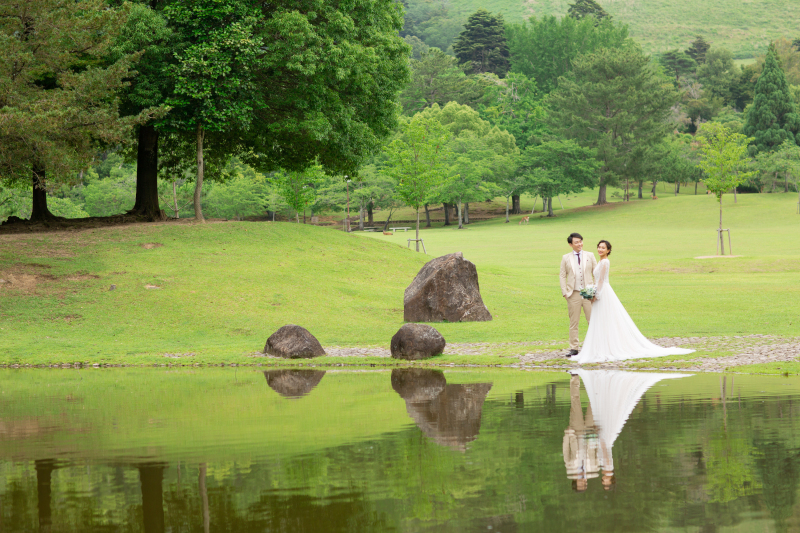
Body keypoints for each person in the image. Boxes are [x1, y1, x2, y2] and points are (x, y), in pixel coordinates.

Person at [573, 240, 695, 363]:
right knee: (600, 318)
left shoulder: (605, 262)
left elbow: (601, 280)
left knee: (606, 318)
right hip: (599, 290)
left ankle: (608, 347)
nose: (600, 249)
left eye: (603, 248)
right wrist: (592, 291)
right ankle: (600, 346)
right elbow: (597, 280)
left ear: (608, 250)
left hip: (603, 292)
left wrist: (596, 295)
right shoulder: (600, 261)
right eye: (599, 247)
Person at [559, 233, 598, 357]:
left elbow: (596, 273)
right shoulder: (566, 258)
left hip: (588, 292)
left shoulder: (590, 255)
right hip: (573, 293)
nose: (579, 244)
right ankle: (574, 348)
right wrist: (565, 292)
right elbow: (562, 275)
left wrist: (595, 289)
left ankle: (595, 346)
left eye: (580, 241)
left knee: (592, 320)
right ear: (570, 244)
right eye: (576, 242)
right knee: (573, 322)